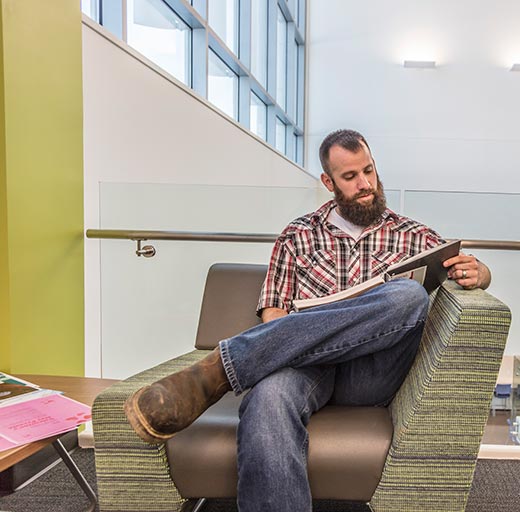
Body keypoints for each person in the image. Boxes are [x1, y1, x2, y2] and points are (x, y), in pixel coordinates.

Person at [124, 129, 491, 511]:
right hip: (306, 366)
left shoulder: (412, 234)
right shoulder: (297, 236)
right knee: (267, 397)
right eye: (350, 177)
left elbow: (468, 270)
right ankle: (237, 366)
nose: (365, 184)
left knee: (408, 296)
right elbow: (274, 315)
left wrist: (479, 273)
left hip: (371, 373)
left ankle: (224, 366)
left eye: (369, 170)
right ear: (328, 182)